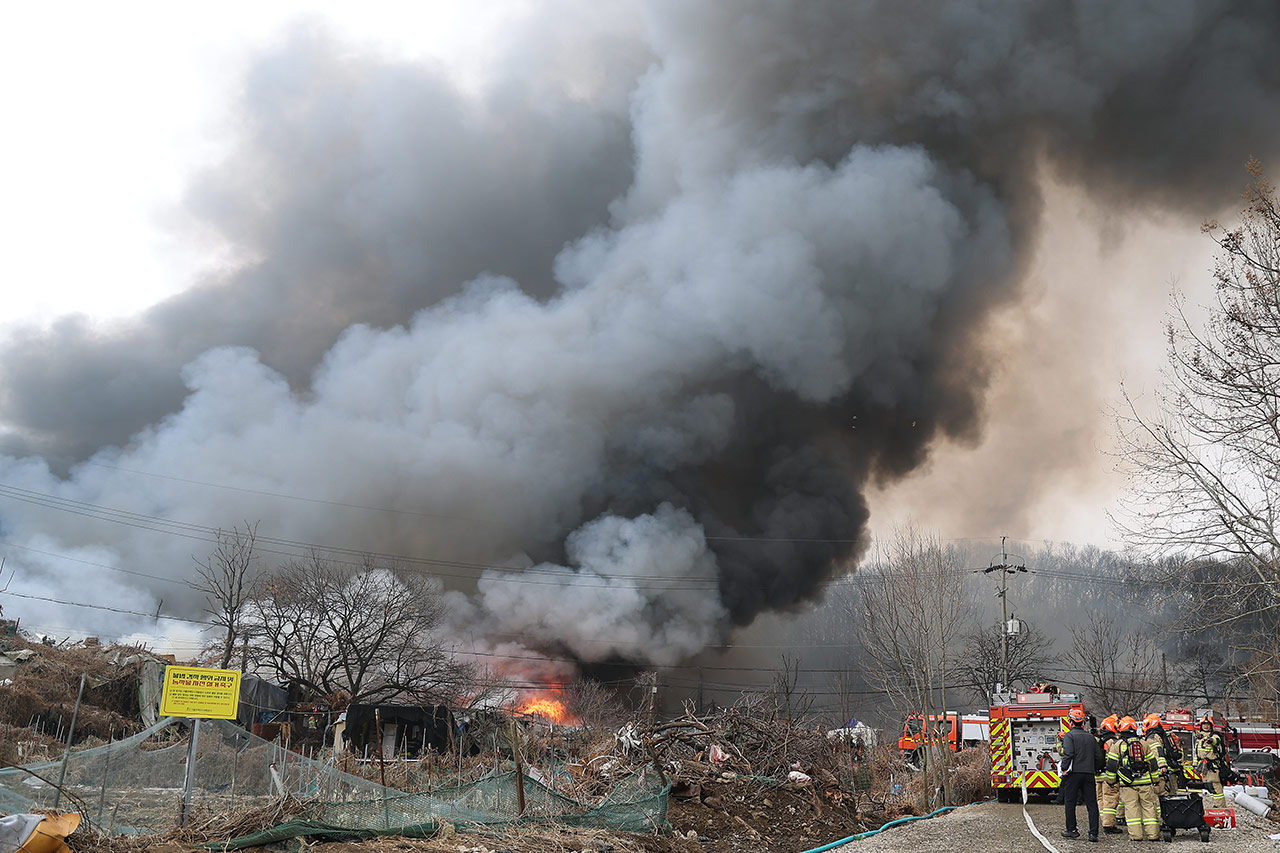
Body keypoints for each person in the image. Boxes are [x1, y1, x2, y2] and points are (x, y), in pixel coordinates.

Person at [1104, 716, 1160, 842]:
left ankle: (1136, 836)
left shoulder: (1117, 745)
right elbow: (1153, 764)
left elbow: (1112, 766)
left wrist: (1111, 782)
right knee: (1149, 808)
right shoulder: (1144, 744)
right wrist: (1155, 780)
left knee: (1131, 809)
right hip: (1145, 783)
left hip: (1127, 784)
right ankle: (1153, 835)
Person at [1060, 707, 1101, 842]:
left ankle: (1072, 830)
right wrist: (1095, 769)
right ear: (1082, 723)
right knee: (1092, 804)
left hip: (1073, 774)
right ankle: (1093, 833)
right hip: (1089, 773)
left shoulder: (1069, 736)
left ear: (1071, 722)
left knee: (1070, 802)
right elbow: (1098, 757)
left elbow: (1068, 754)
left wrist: (1064, 768)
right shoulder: (1091, 738)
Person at [1096, 715, 1124, 834]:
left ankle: (1104, 821)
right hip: (1108, 776)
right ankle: (1108, 825)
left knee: (1101, 799)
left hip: (1097, 775)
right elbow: (1113, 760)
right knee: (1110, 800)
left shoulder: (1098, 740)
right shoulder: (1112, 742)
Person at [1194, 715, 1226, 807]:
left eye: (1208, 724)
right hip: (1203, 766)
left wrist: (1211, 740)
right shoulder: (1199, 738)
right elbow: (1196, 752)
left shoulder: (1214, 735)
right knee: (1209, 786)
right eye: (1204, 724)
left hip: (1212, 767)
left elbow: (1216, 740)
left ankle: (1220, 806)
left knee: (1215, 786)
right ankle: (1216, 804)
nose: (1206, 726)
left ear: (1211, 726)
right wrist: (1195, 764)